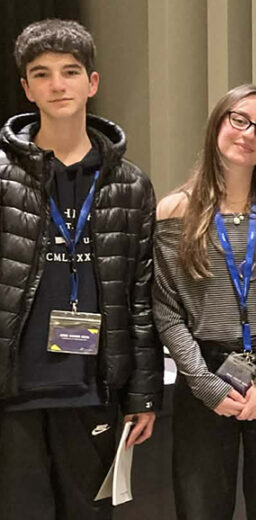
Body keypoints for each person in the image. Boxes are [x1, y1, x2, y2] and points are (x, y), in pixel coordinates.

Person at [0, 19, 162, 520]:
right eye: (42, 74)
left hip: (93, 388)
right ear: (27, 88)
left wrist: (143, 394)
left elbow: (140, 297)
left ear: (92, 82)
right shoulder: (2, 176)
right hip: (13, 390)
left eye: (70, 72)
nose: (57, 85)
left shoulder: (130, 185)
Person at [153, 83, 256, 520]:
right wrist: (205, 384)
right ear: (217, 125)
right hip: (204, 373)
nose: (249, 134)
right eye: (239, 120)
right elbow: (167, 310)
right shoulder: (173, 212)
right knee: (201, 508)